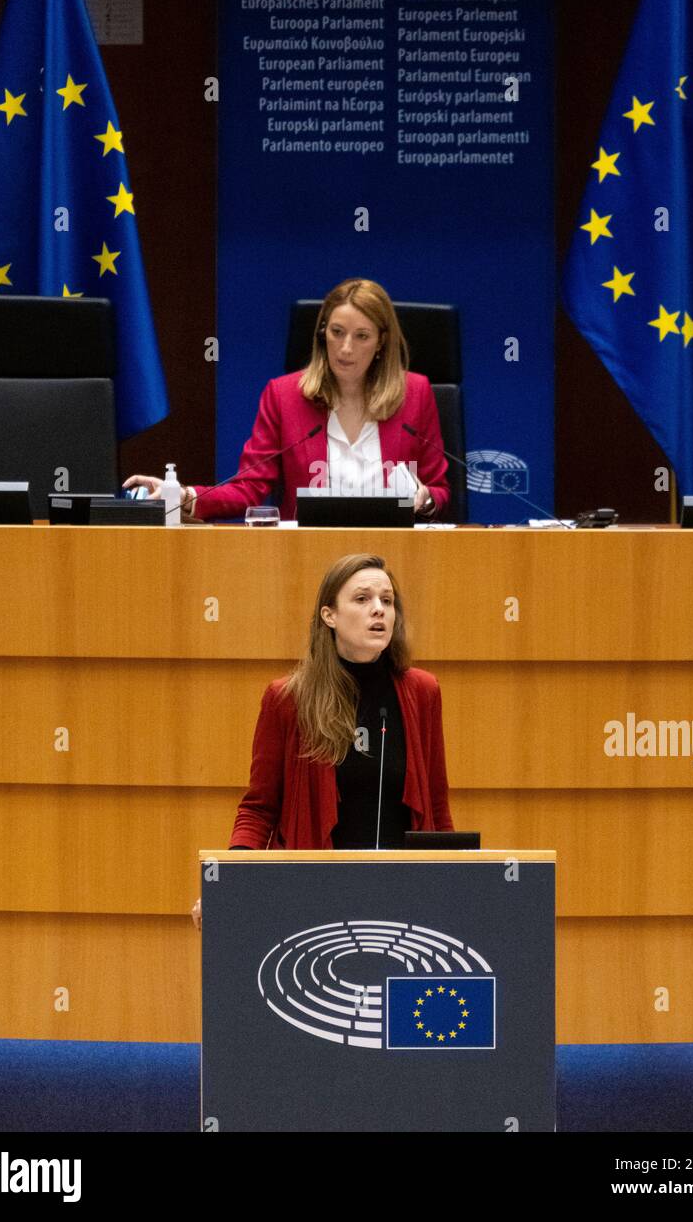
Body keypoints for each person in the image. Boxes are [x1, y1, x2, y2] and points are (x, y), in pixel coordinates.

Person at [191, 552, 454, 928]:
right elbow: (260, 808)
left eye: (387, 600)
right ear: (329, 615)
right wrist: (231, 880)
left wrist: (458, 881)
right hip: (314, 897)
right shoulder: (289, 699)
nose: (378, 610)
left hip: (403, 896)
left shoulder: (422, 692)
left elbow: (437, 808)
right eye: (362, 599)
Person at [124, 277, 450, 520]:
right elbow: (248, 487)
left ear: (381, 342)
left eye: (361, 336)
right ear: (322, 333)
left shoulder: (415, 394)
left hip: (392, 559)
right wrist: (181, 496)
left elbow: (440, 489)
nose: (346, 348)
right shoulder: (284, 397)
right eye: (337, 332)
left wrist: (424, 497)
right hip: (304, 556)